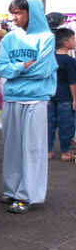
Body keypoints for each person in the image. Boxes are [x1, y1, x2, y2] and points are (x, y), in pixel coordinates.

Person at [0, 0, 56, 213]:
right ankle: (12, 189)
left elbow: (43, 70)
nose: (14, 17)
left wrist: (14, 70)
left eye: (19, 12)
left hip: (36, 98)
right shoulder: (10, 38)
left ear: (32, 13)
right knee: (12, 148)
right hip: (12, 97)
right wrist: (23, 66)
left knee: (32, 148)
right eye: (12, 13)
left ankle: (27, 194)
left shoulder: (46, 37)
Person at [49, 27, 76, 160]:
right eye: (73, 38)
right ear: (66, 43)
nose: (74, 41)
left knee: (49, 125)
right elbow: (72, 82)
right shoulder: (70, 61)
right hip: (66, 97)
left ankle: (48, 151)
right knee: (66, 125)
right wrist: (75, 99)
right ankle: (65, 152)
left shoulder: (50, 58)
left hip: (50, 95)